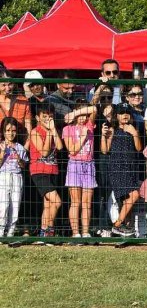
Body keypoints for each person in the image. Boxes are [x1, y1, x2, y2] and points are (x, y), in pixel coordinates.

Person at [102, 103, 144, 237]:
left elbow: (139, 149)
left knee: (127, 200)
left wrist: (135, 134)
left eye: (127, 112)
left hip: (130, 168)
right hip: (117, 168)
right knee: (134, 195)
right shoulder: (113, 129)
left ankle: (124, 228)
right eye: (121, 113)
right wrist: (104, 136)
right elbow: (104, 150)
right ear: (117, 116)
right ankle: (117, 225)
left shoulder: (133, 128)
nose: (125, 115)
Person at [62, 101, 97, 238]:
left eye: (85, 114)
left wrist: (75, 112)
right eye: (80, 114)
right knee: (75, 201)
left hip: (89, 164)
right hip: (74, 164)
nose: (83, 117)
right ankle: (76, 232)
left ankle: (86, 231)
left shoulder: (89, 125)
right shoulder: (67, 129)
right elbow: (72, 150)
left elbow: (94, 108)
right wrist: (82, 137)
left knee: (87, 202)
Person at [29, 103, 63, 237]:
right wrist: (49, 133)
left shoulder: (52, 130)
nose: (48, 119)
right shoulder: (35, 132)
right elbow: (43, 152)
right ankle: (48, 231)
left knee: (48, 204)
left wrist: (53, 131)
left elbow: (60, 147)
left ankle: (44, 232)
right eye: (44, 116)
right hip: (39, 171)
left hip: (52, 170)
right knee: (57, 201)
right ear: (38, 118)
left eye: (50, 116)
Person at [0, 117, 27, 236]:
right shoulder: (1, 146)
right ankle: (1, 230)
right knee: (3, 205)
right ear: (3, 131)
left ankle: (11, 231)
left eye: (13, 131)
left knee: (15, 204)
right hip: (4, 176)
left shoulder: (20, 147)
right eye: (8, 130)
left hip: (17, 176)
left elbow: (23, 165)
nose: (11, 133)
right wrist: (2, 153)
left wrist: (19, 158)